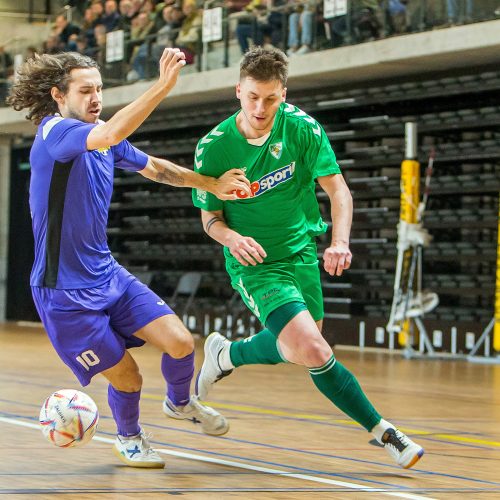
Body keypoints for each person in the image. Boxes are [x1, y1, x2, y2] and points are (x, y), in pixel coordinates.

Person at [6, 49, 251, 469]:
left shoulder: (102, 134)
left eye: (100, 88)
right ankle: (130, 437)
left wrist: (211, 183)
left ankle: (180, 403)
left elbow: (154, 167)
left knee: (179, 342)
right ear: (59, 96)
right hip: (64, 294)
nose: (96, 97)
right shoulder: (56, 134)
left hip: (107, 275)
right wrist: (161, 87)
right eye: (86, 90)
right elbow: (108, 136)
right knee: (130, 376)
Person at [191, 46, 425, 470]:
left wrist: (340, 241)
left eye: (271, 98)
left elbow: (338, 191)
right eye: (252, 97)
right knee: (315, 350)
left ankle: (226, 356)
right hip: (257, 264)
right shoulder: (214, 148)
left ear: (284, 93)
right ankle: (384, 432)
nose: (261, 108)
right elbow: (210, 218)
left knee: (299, 349)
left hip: (301, 254)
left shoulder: (302, 129)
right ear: (237, 91)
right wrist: (232, 239)